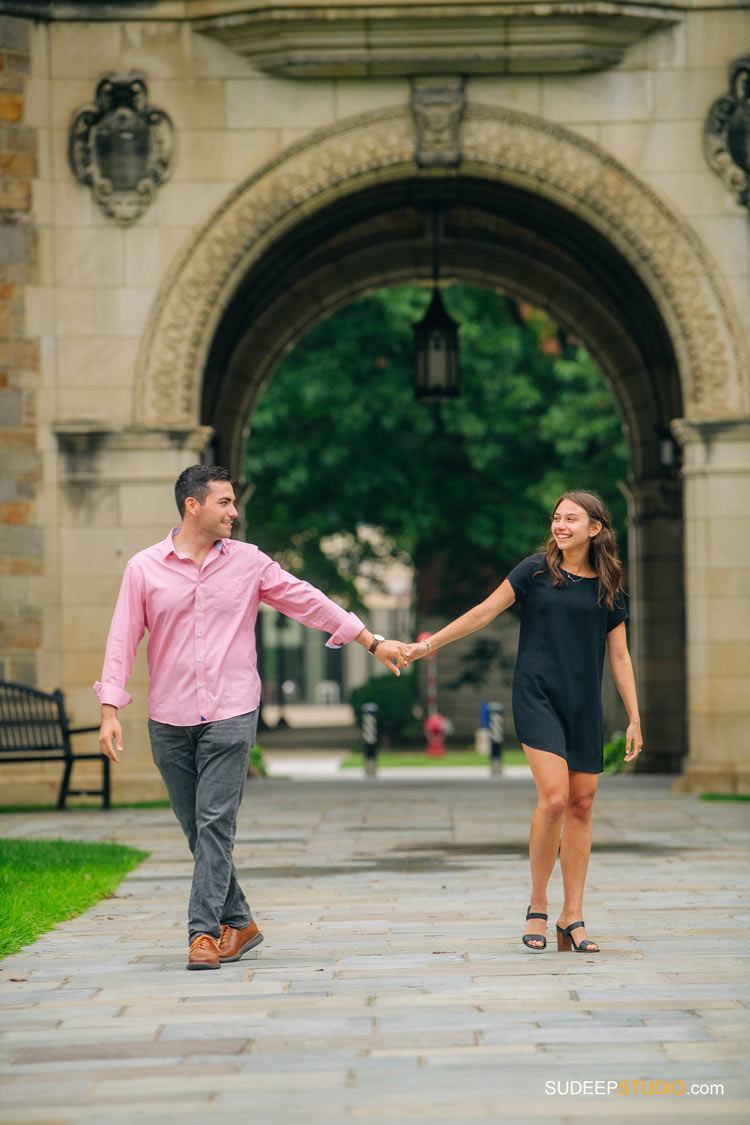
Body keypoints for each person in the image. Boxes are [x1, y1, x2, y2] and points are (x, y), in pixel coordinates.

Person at [95, 465, 410, 970]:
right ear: (192, 505)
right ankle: (240, 921)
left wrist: (370, 641)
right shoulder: (144, 568)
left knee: (215, 823)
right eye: (224, 502)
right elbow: (122, 637)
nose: (234, 512)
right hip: (168, 715)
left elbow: (306, 600)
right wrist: (110, 708)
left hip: (231, 708)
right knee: (195, 827)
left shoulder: (249, 562)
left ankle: (202, 933)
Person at [405, 491, 642, 954]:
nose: (560, 525)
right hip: (536, 696)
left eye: (571, 519)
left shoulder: (609, 585)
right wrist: (427, 645)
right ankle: (538, 903)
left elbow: (620, 655)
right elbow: (484, 612)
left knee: (582, 804)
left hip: (584, 704)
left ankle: (573, 915)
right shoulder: (534, 571)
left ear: (595, 528)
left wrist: (634, 717)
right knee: (554, 798)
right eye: (557, 518)